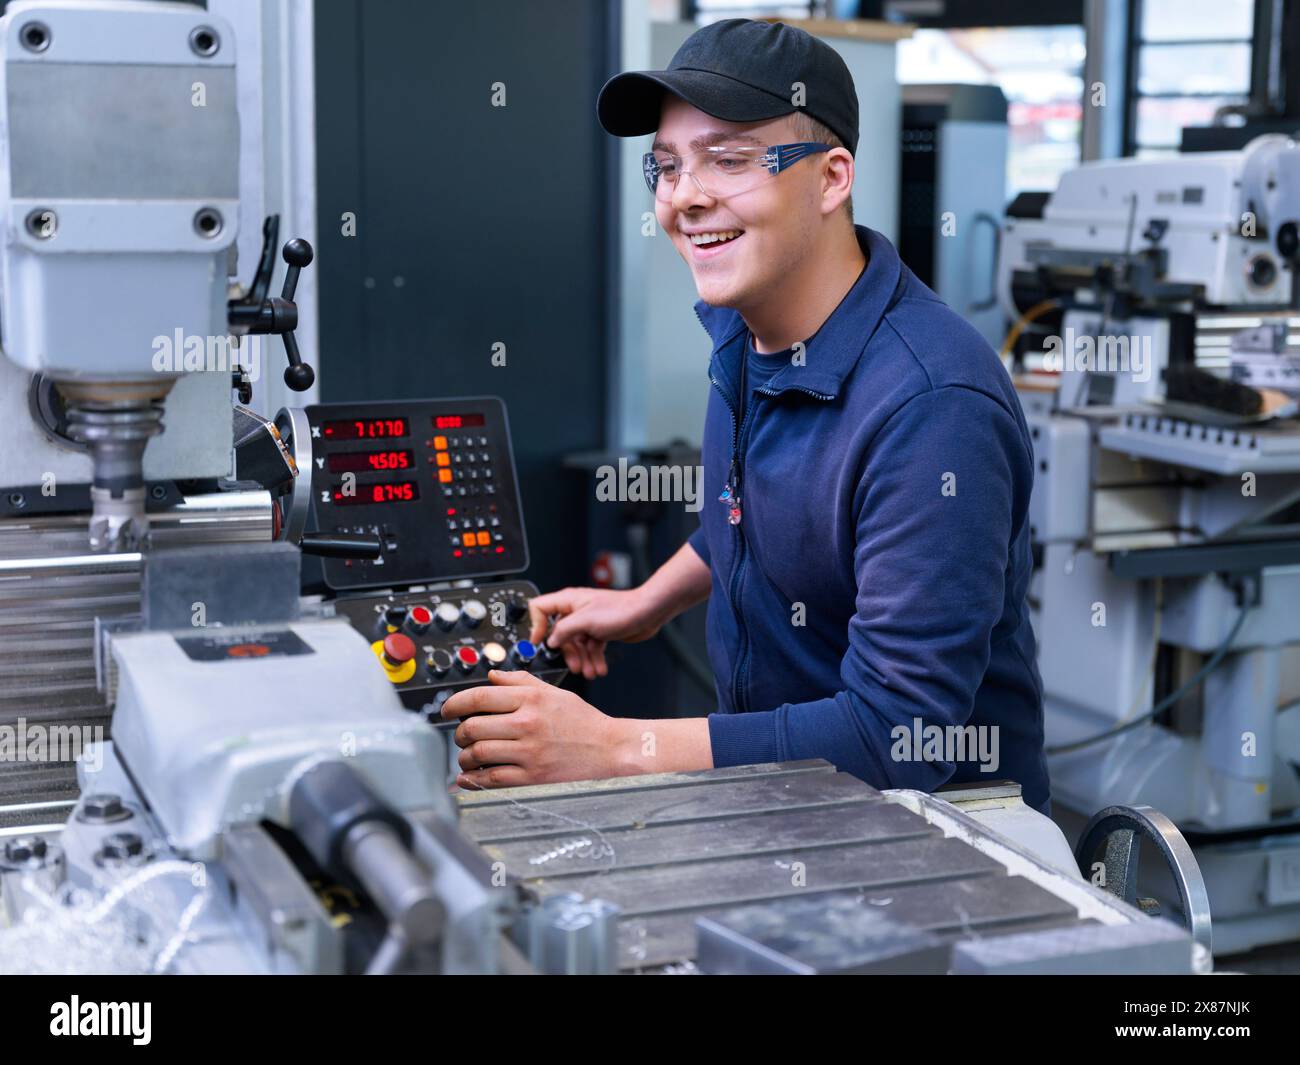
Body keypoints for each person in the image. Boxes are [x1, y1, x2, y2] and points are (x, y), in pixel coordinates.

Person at [441, 18, 1048, 812]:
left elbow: (897, 732)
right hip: (781, 803)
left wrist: (617, 746)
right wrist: (647, 600)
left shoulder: (932, 410)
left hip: (947, 837)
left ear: (832, 179)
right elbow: (760, 512)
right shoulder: (747, 326)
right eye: (665, 166)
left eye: (728, 160)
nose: (685, 196)